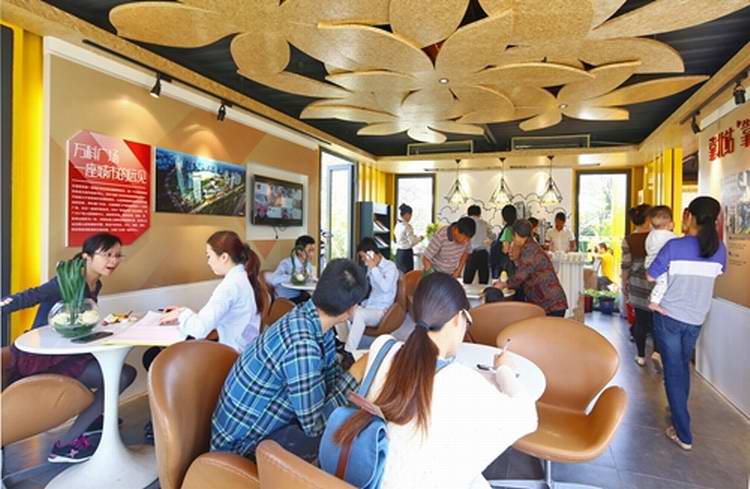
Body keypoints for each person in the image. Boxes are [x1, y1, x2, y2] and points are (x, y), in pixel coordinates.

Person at [334, 272, 537, 489]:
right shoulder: (461, 381)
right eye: (467, 322)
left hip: (365, 472)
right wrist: (504, 369)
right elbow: (527, 416)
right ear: (458, 318)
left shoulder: (383, 346)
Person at [211, 259, 370, 461]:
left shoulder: (312, 319)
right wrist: (355, 373)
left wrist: (353, 379)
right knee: (348, 439)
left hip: (261, 427)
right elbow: (315, 426)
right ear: (352, 309)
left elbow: (329, 379)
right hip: (239, 449)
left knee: (352, 418)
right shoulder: (303, 344)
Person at [0, 233, 136, 463]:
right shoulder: (66, 281)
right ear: (86, 257)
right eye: (107, 255)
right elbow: (29, 296)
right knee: (122, 376)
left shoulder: (95, 282)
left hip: (70, 352)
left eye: (117, 255)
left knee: (115, 371)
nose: (113, 261)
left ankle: (90, 418)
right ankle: (66, 444)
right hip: (46, 359)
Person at [647, 196, 726, 451]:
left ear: (689, 216)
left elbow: (651, 275)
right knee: (681, 366)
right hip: (696, 318)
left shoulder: (676, 246)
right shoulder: (719, 250)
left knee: (673, 370)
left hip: (669, 315)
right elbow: (717, 273)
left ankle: (683, 432)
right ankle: (677, 408)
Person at [159, 231, 266, 351]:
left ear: (224, 257)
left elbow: (200, 330)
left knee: (153, 355)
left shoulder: (230, 286)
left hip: (232, 354)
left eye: (209, 256)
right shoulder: (241, 279)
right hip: (241, 349)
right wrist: (182, 312)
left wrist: (181, 314)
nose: (208, 262)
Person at [493, 220, 568, 316]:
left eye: (513, 237)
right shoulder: (531, 246)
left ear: (516, 235)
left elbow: (521, 276)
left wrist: (504, 284)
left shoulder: (529, 250)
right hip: (549, 302)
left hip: (551, 303)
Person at [340, 237, 399, 352]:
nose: (363, 260)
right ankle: (344, 342)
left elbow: (385, 288)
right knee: (341, 309)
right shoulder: (371, 268)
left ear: (370, 253)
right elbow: (370, 289)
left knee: (360, 315)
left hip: (382, 311)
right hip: (370, 307)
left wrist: (374, 268)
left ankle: (349, 351)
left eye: (363, 256)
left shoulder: (390, 267)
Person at [621, 204, 658, 367]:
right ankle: (657, 353)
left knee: (641, 321)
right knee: (657, 322)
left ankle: (641, 355)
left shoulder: (629, 239)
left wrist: (624, 283)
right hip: (656, 282)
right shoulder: (657, 236)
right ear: (648, 218)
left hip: (637, 282)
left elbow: (626, 265)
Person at [645, 206, 676, 315]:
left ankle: (653, 297)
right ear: (670, 224)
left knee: (659, 283)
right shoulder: (670, 236)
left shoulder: (651, 235)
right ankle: (654, 302)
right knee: (663, 282)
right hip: (659, 265)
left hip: (649, 262)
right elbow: (677, 246)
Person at [268, 235, 316, 304]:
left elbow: (307, 281)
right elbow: (273, 280)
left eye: (313, 250)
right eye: (310, 251)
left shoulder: (308, 265)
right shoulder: (286, 263)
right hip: (285, 300)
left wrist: (312, 279)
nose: (312, 254)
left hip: (300, 296)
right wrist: (292, 277)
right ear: (299, 251)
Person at [463, 205, 495, 285]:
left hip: (470, 253)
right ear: (479, 214)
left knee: (467, 280)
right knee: (483, 280)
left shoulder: (465, 223)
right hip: (483, 253)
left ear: (468, 213)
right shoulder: (484, 223)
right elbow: (492, 236)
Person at [490, 205, 517, 279]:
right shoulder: (517, 228)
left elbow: (505, 249)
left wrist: (494, 244)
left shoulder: (507, 230)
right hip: (516, 262)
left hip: (506, 263)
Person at [394, 203, 422, 273]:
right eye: (410, 215)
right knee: (408, 275)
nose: (411, 217)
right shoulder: (407, 226)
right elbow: (412, 242)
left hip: (398, 253)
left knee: (400, 274)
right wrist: (420, 238)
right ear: (406, 214)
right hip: (406, 254)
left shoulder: (397, 225)